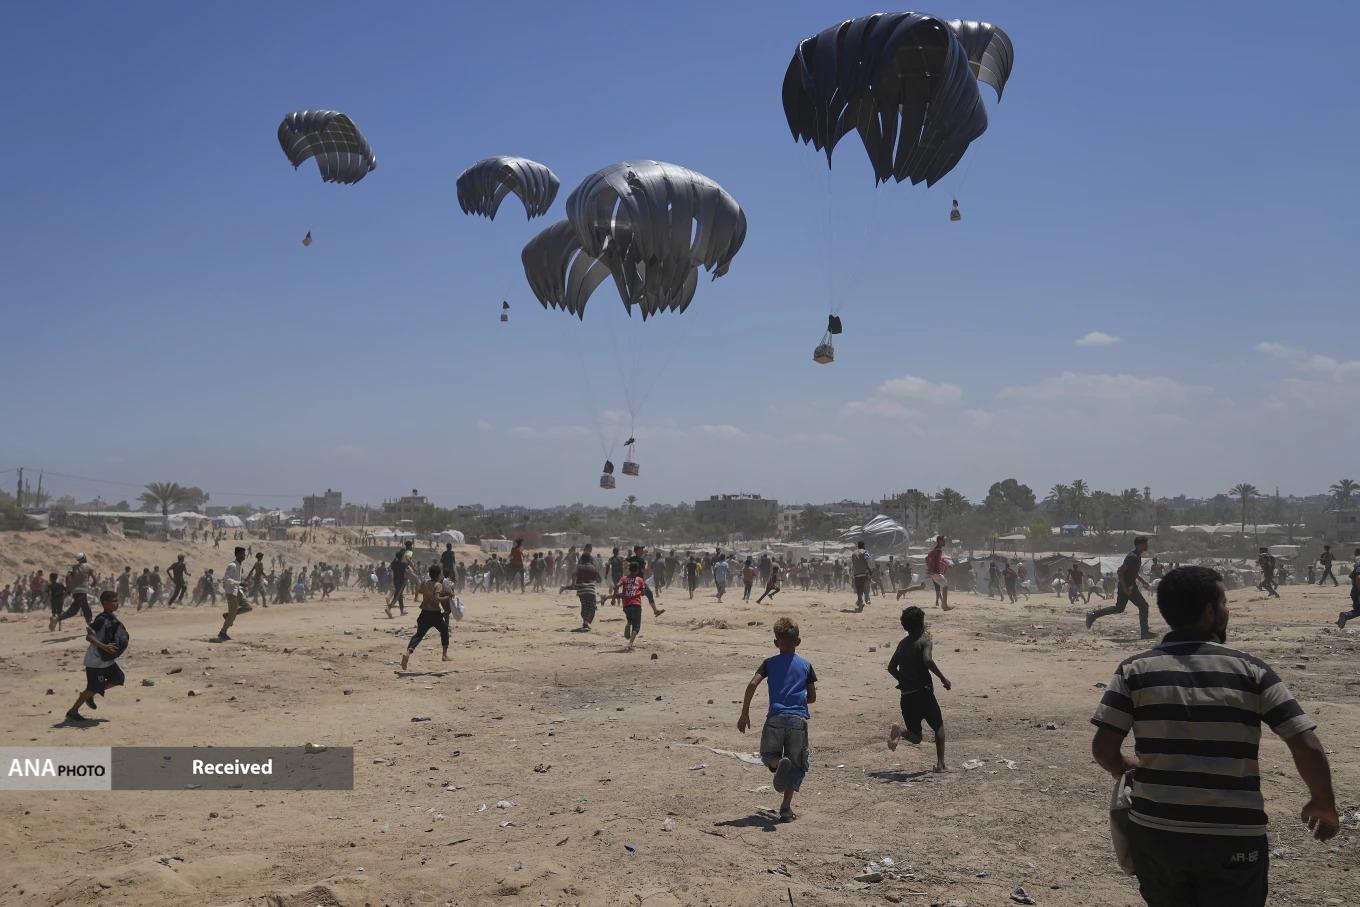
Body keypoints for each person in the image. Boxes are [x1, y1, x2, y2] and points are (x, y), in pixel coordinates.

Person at [1090, 565, 1338, 906]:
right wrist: (1322, 801)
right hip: (1233, 837)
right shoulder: (1252, 671)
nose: (1226, 610)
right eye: (1223, 603)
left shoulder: (1134, 670)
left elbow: (1104, 749)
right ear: (1209, 612)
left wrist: (1124, 767)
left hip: (1157, 833)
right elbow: (1304, 743)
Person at [737, 617, 817, 823]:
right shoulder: (806, 665)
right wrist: (799, 699)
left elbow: (752, 684)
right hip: (798, 719)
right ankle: (786, 808)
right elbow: (812, 697)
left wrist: (745, 712)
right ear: (798, 641)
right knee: (797, 764)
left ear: (776, 643)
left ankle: (778, 762)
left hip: (775, 717)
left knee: (767, 755)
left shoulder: (769, 663)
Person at [887, 606, 951, 772]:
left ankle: (901, 731)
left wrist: (903, 680)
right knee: (938, 726)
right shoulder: (924, 642)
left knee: (916, 737)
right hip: (923, 693)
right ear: (920, 625)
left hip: (907, 696)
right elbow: (927, 660)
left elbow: (891, 667)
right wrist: (943, 678)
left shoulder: (902, 644)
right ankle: (941, 764)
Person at [65, 590, 129, 722]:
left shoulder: (111, 617)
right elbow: (89, 637)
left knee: (118, 678)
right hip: (96, 661)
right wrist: (104, 647)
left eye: (117, 600)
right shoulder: (101, 619)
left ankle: (90, 694)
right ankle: (73, 711)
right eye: (114, 601)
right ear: (105, 603)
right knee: (93, 687)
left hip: (107, 659)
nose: (117, 603)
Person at [1086, 537, 1155, 639]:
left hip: (1128, 586)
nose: (1147, 545)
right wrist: (1125, 588)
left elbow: (1133, 572)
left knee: (1119, 608)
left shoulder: (1137, 556)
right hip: (1128, 587)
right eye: (1145, 544)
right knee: (1144, 606)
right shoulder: (1132, 557)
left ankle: (1093, 615)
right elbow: (1120, 572)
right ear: (1140, 545)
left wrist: (1143, 582)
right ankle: (1144, 633)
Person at [401, 565, 452, 670]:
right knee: (444, 630)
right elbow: (437, 598)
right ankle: (444, 655)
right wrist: (448, 597)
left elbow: (419, 590)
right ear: (438, 575)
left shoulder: (425, 582)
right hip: (435, 614)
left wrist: (427, 593)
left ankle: (408, 653)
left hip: (424, 613)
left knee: (418, 635)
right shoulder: (438, 585)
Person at [610, 560, 656, 650]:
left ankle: (628, 623)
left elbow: (616, 586)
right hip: (636, 604)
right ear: (637, 570)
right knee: (636, 627)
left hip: (626, 605)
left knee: (630, 617)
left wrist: (613, 599)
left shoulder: (623, 578)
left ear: (629, 569)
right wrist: (639, 591)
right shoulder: (640, 579)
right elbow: (643, 593)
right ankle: (630, 644)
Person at [214, 546, 251, 642]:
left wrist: (242, 586)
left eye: (244, 554)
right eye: (242, 554)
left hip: (238, 591)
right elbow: (227, 579)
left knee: (248, 607)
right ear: (237, 555)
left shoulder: (239, 565)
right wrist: (239, 583)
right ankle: (222, 632)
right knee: (232, 614)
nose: (244, 556)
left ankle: (229, 615)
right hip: (231, 592)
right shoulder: (232, 565)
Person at [563, 552, 601, 632]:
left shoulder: (579, 567)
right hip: (590, 590)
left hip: (581, 590)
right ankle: (586, 622)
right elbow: (599, 579)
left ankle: (585, 621)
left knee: (584, 605)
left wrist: (573, 583)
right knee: (592, 606)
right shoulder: (593, 567)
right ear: (590, 559)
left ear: (582, 559)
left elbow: (573, 574)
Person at [54, 553, 94, 629]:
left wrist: (68, 588)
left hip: (75, 591)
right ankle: (58, 618)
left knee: (85, 607)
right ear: (85, 558)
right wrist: (93, 584)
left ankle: (90, 624)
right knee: (74, 610)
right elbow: (94, 578)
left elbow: (67, 576)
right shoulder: (88, 567)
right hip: (82, 591)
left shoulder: (74, 567)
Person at [386, 541, 415, 617]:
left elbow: (391, 567)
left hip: (395, 580)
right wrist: (412, 571)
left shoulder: (394, 564)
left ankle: (402, 611)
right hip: (401, 580)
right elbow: (406, 570)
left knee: (400, 595)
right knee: (397, 595)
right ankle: (389, 608)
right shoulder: (403, 564)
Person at [925, 536, 952, 611]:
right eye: (943, 540)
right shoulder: (938, 550)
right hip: (935, 572)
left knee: (942, 587)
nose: (944, 542)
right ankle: (944, 605)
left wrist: (944, 565)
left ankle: (943, 604)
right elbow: (929, 558)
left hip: (933, 572)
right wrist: (931, 568)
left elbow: (929, 558)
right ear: (940, 541)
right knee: (945, 586)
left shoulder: (937, 549)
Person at [1336, 548, 1360, 629]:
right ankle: (1345, 615)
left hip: (1355, 591)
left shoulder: (1357, 563)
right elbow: (1358, 578)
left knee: (1358, 610)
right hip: (1357, 592)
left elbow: (1352, 576)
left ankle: (1345, 616)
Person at [851, 542, 872, 611]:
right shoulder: (865, 552)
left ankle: (860, 603)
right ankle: (863, 601)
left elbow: (853, 563)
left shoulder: (853, 553)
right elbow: (868, 561)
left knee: (859, 590)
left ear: (858, 546)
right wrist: (870, 570)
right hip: (864, 573)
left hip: (856, 574)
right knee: (865, 588)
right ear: (863, 546)